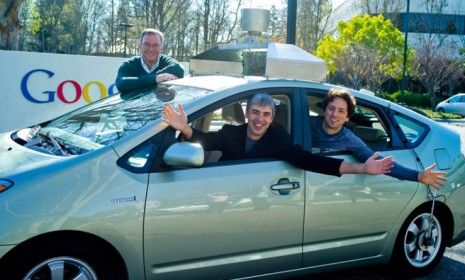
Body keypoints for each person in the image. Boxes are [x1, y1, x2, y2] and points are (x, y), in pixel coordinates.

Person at [163, 93, 395, 177]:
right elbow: (205, 140)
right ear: (247, 112)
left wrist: (363, 168)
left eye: (265, 114)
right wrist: (183, 127)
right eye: (255, 112)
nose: (259, 119)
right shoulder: (231, 133)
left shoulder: (278, 139)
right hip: (230, 191)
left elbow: (310, 161)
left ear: (272, 118)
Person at [311, 87, 446, 189]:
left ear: (347, 117)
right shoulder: (308, 124)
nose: (334, 114)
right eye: (331, 108)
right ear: (325, 109)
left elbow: (381, 164)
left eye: (341, 111)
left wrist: (418, 176)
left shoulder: (349, 139)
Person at [115, 28, 184, 94]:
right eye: (147, 44)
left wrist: (137, 83)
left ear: (161, 48)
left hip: (162, 105)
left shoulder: (166, 62)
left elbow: (179, 69)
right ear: (140, 46)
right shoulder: (129, 64)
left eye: (155, 45)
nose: (151, 49)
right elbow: (121, 83)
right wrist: (156, 78)